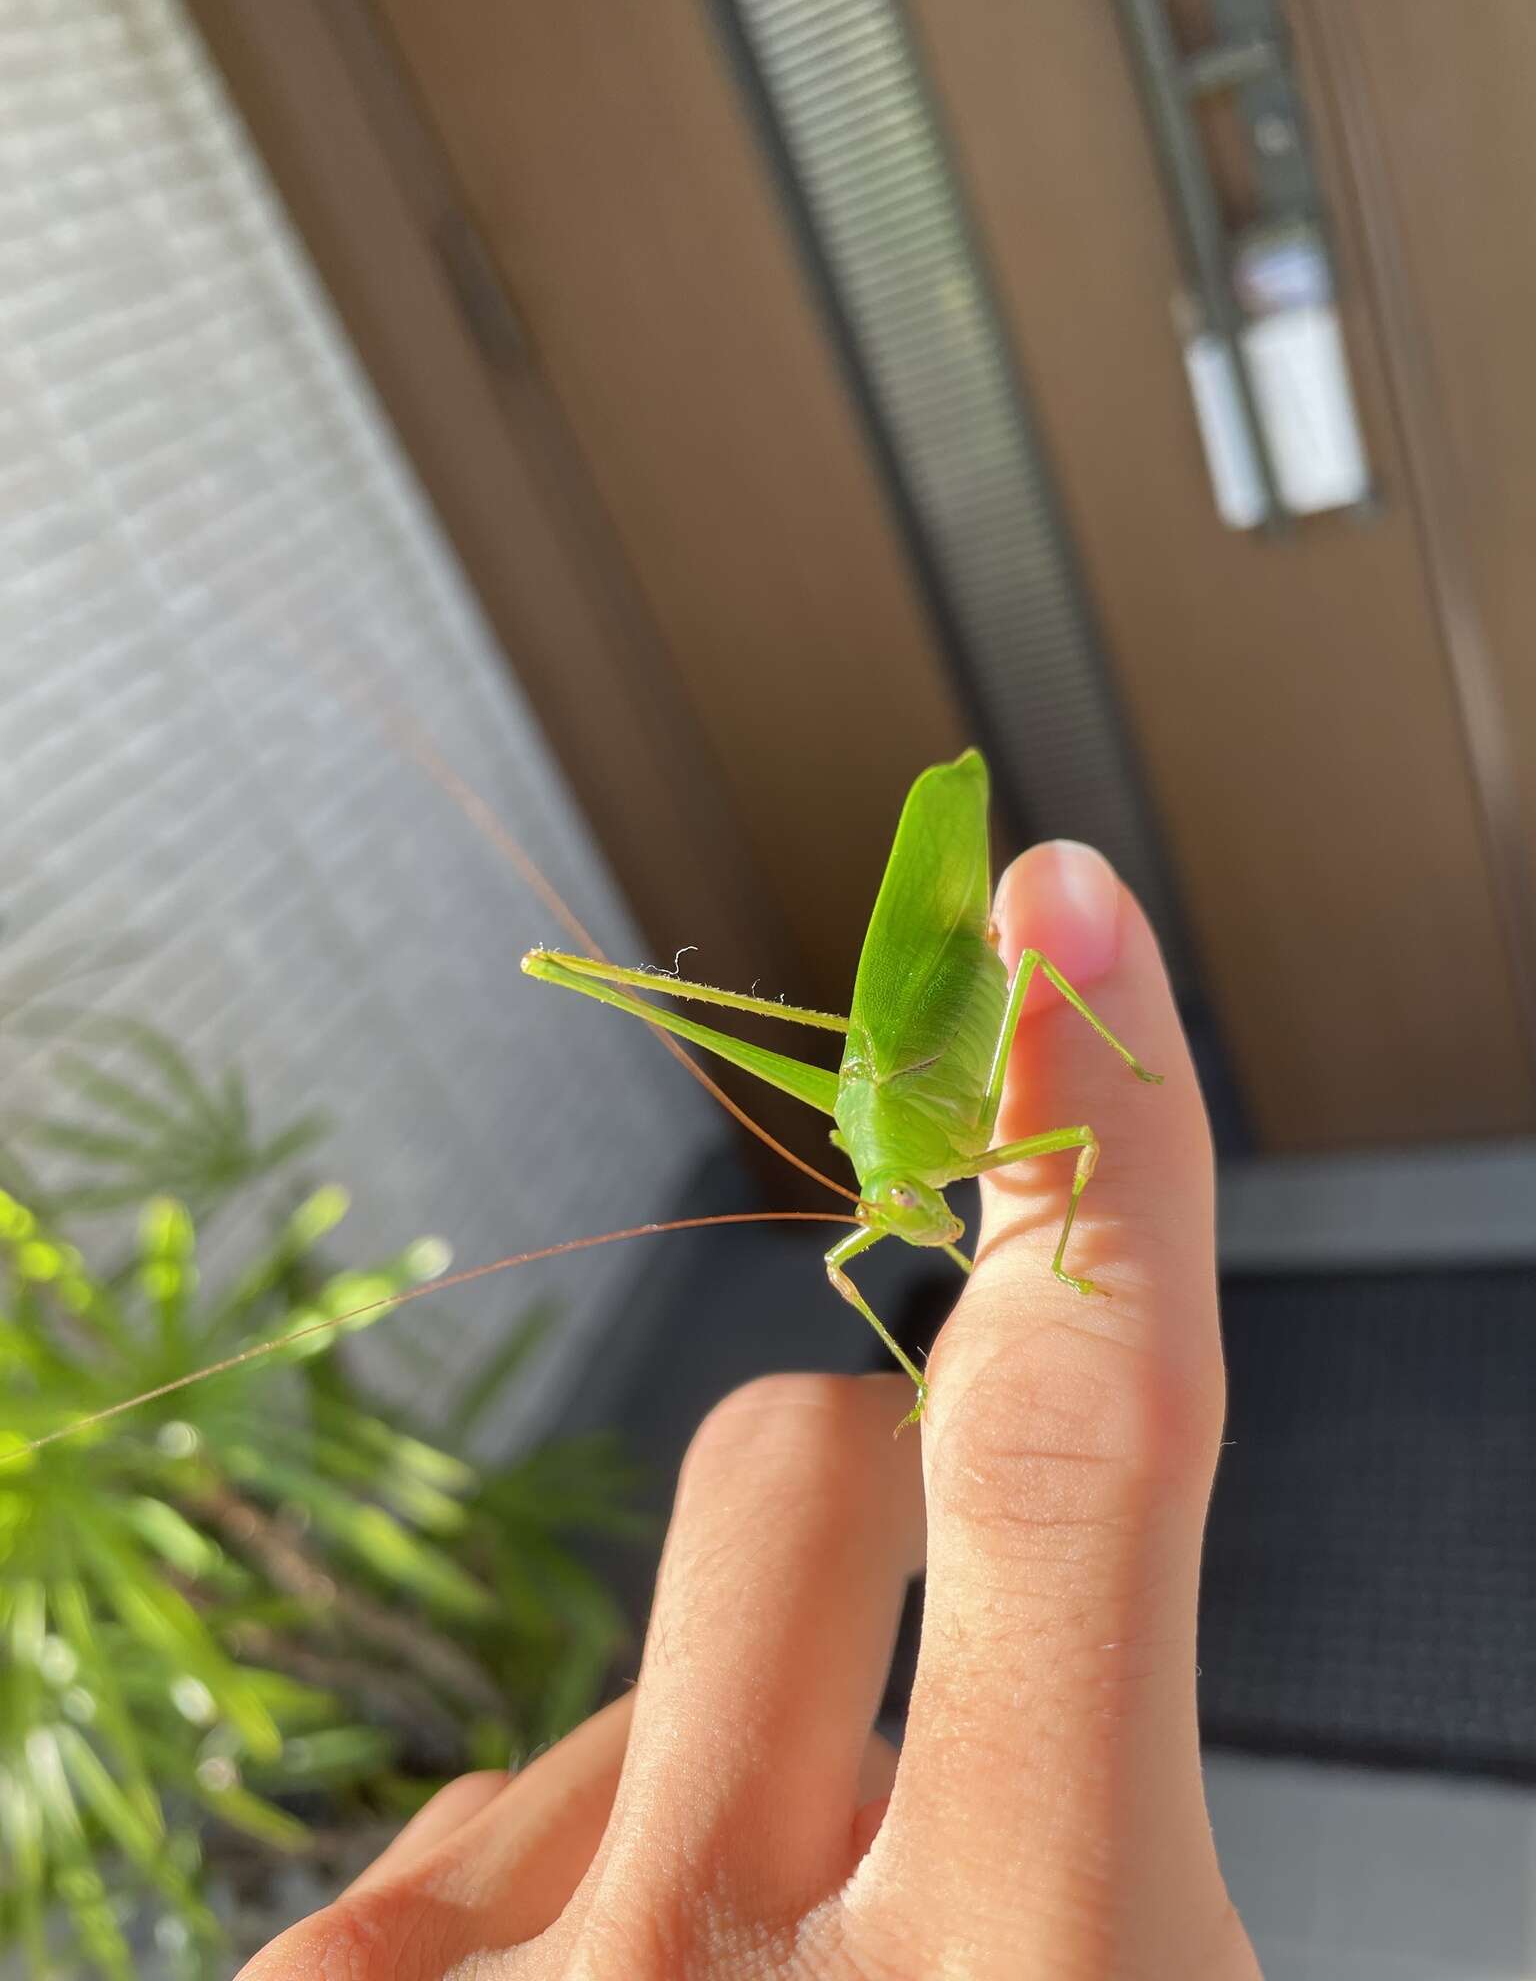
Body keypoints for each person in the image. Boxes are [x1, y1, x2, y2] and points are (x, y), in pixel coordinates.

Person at [240, 841, 1260, 1978]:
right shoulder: (890, 1197)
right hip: (902, 1094)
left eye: (902, 1205)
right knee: (847, 1257)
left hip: (934, 1045)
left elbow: (1069, 1131)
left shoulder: (947, 1142)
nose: (911, 1222)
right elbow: (877, 1239)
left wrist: (1090, 1153)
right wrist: (924, 1373)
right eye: (895, 1207)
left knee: (1049, 1090)